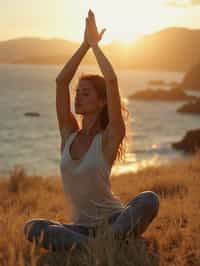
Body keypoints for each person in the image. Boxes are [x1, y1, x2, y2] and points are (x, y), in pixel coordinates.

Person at [23, 9, 160, 252]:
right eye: (78, 93)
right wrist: (84, 45)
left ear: (102, 101)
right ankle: (99, 246)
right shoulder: (69, 134)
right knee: (32, 227)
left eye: (86, 93)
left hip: (115, 220)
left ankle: (104, 242)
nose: (78, 98)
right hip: (80, 229)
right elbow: (60, 82)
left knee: (149, 199)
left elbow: (112, 81)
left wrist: (96, 46)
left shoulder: (109, 137)